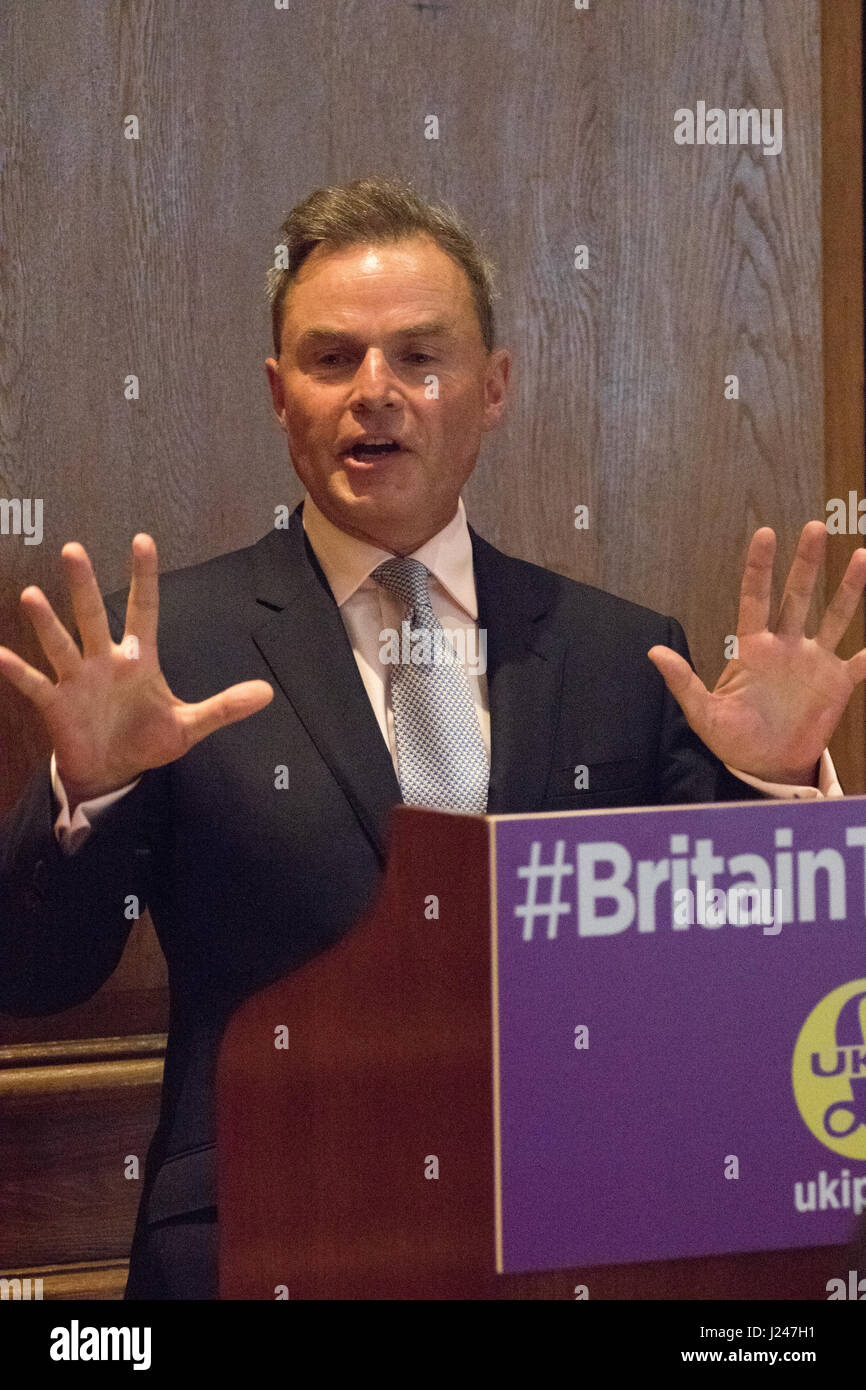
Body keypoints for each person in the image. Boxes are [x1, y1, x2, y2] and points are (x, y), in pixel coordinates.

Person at [0, 175, 860, 1300]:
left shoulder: (620, 655)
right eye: (330, 359)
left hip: (573, 1243)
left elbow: (735, 1002)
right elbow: (37, 975)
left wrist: (772, 781)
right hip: (262, 1240)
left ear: (492, 386)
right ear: (277, 393)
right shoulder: (166, 654)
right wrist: (89, 789)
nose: (376, 394)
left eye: (419, 356)